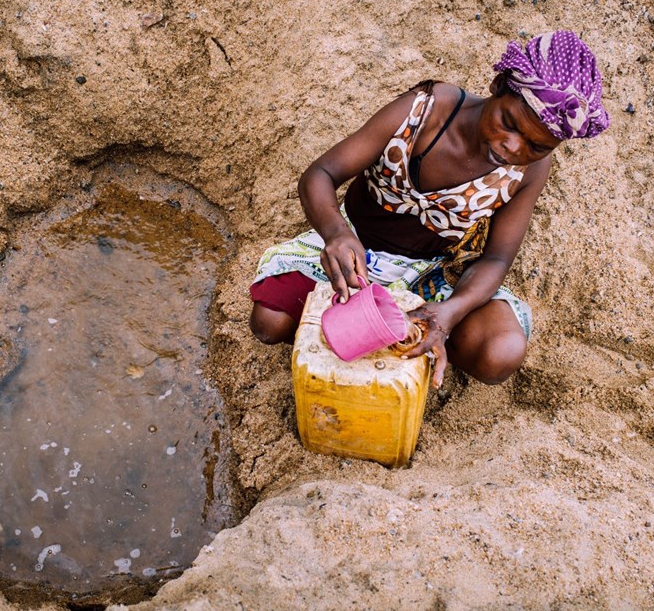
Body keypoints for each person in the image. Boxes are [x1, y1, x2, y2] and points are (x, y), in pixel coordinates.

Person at [249, 31, 610, 388]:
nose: (513, 147)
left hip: (434, 272)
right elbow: (320, 174)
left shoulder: (528, 170)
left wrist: (448, 314)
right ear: (499, 86)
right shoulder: (427, 110)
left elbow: (496, 259)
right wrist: (336, 234)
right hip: (353, 252)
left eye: (537, 145)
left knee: (499, 352)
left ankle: (414, 340)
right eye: (509, 123)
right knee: (270, 322)